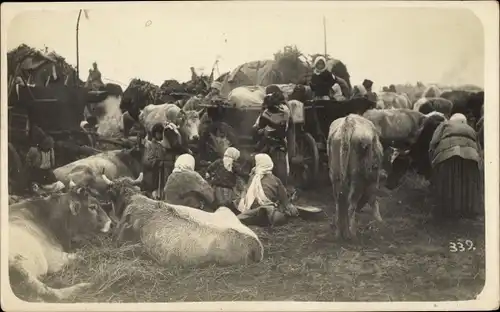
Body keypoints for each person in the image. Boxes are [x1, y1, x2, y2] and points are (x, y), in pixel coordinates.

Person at [428, 113, 481, 220]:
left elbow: (434, 142)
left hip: (447, 154)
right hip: (471, 156)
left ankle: (448, 211)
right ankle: (468, 211)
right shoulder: (470, 129)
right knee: (468, 182)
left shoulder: (444, 125)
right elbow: (478, 148)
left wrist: (432, 160)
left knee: (448, 182)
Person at [237, 154, 299, 226]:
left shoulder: (253, 177)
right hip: (268, 211)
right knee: (279, 215)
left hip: (251, 210)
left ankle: (250, 216)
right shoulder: (275, 180)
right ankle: (263, 216)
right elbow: (285, 202)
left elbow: (246, 194)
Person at [253, 88, 291, 187]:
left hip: (268, 142)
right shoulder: (285, 113)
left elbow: (259, 127)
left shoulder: (266, 113)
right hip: (281, 142)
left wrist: (262, 131)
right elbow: (286, 127)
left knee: (259, 156)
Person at [205, 147, 248, 212]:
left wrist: (209, 174)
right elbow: (241, 173)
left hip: (217, 186)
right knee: (226, 203)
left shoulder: (219, 161)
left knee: (218, 202)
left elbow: (210, 168)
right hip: (228, 187)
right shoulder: (233, 164)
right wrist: (249, 174)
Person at [25, 127, 65, 193]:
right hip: (37, 174)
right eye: (46, 145)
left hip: (47, 174)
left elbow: (52, 164)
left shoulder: (51, 151)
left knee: (60, 186)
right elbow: (28, 163)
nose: (49, 147)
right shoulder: (34, 150)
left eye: (50, 145)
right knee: (36, 188)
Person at [143, 123, 168, 199]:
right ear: (156, 133)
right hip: (152, 174)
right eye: (159, 133)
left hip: (159, 173)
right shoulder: (150, 145)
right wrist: (156, 162)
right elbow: (147, 160)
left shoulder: (161, 145)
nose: (161, 136)